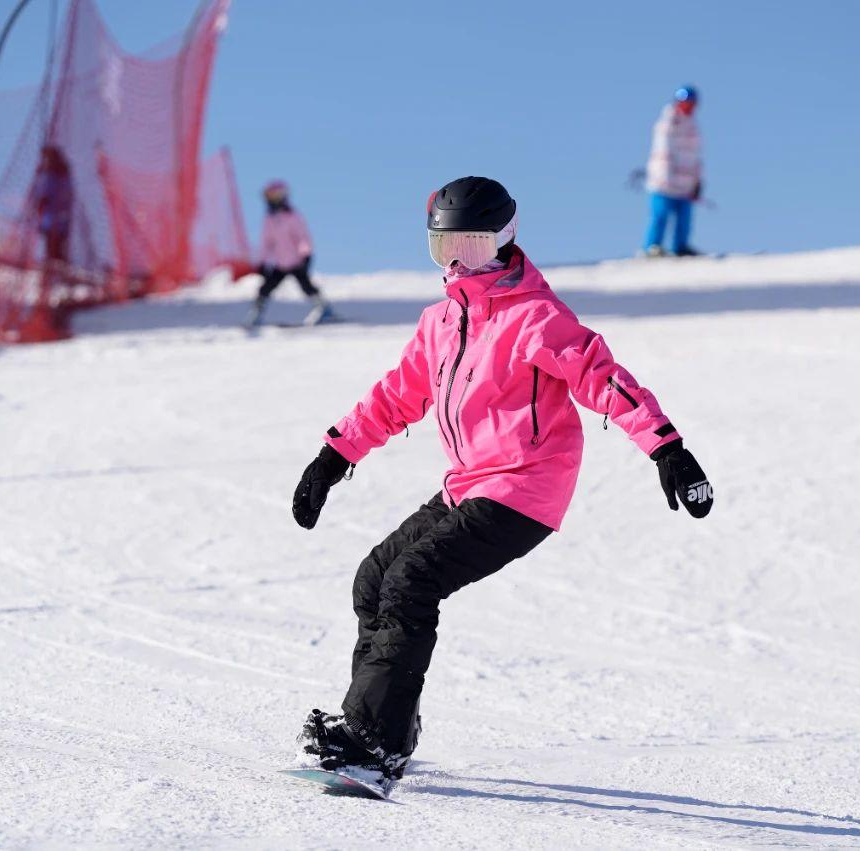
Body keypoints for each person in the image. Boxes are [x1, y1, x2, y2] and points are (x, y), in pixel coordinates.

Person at [290, 176, 714, 796]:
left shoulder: (536, 316)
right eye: (445, 248)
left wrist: (667, 447)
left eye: (474, 246)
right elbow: (397, 396)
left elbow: (603, 378)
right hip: (469, 484)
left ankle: (371, 741)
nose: (460, 261)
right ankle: (386, 731)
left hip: (526, 489)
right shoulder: (441, 321)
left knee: (412, 580)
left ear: (505, 239)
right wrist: (333, 456)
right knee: (375, 578)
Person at [248, 180, 326, 326]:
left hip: (296, 261)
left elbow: (303, 237)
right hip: (280, 263)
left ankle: (323, 309)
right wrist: (262, 262)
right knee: (265, 288)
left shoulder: (292, 217)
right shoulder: (269, 219)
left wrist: (306, 255)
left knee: (306, 286)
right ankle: (256, 313)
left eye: (273, 196)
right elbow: (266, 243)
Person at [642, 85, 703, 257]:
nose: (689, 107)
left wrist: (697, 181)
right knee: (660, 214)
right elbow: (662, 153)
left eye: (692, 104)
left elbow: (696, 157)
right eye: (686, 103)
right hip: (664, 182)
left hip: (685, 184)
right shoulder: (667, 124)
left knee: (684, 217)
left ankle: (680, 246)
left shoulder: (693, 128)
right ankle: (652, 246)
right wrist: (663, 177)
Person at [28, 144, 74, 264]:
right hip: (55, 213)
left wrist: (42, 200)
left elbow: (47, 190)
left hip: (54, 213)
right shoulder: (57, 172)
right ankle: (55, 259)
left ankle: (55, 261)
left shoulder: (55, 173)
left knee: (54, 239)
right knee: (54, 239)